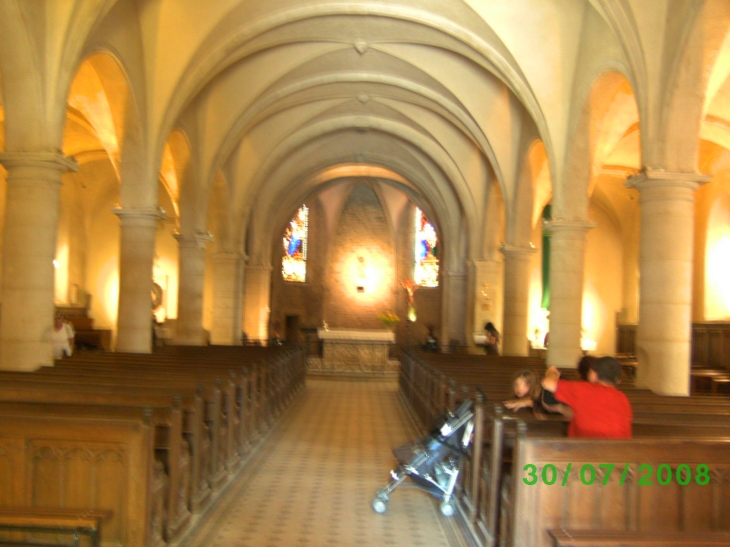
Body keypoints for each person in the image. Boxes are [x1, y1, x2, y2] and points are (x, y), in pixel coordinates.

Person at [541, 356, 632, 438]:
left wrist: (552, 372)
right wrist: (560, 408)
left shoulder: (583, 389)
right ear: (618, 381)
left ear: (593, 374)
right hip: (620, 453)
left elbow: (547, 383)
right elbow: (591, 415)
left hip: (585, 452)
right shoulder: (623, 398)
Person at [504, 370, 572, 419]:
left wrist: (526, 402)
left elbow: (539, 403)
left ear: (532, 384)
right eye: (516, 384)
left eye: (525, 384)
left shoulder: (544, 394)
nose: (519, 388)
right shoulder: (516, 402)